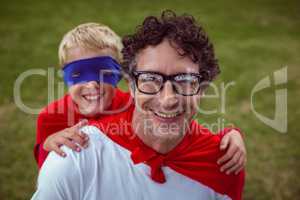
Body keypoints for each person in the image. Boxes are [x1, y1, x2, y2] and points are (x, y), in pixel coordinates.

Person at [31, 11, 245, 200]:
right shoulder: (63, 138)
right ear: (132, 85)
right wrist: (51, 146)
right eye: (150, 79)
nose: (167, 99)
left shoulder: (222, 164)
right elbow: (49, 176)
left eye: (185, 80)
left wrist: (230, 133)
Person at [34, 22, 131, 169]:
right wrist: (48, 146)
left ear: (119, 73)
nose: (91, 85)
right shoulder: (51, 117)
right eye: (78, 74)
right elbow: (48, 176)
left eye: (103, 72)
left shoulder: (134, 108)